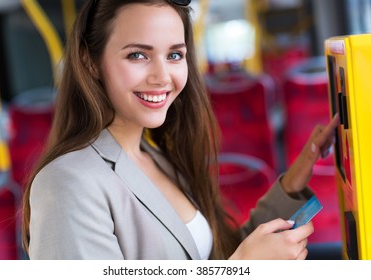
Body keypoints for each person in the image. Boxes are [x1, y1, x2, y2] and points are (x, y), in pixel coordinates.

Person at [21, 0, 339, 260]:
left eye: (174, 55)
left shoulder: (157, 158)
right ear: (90, 61)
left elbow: (216, 260)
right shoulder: (67, 183)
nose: (162, 76)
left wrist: (299, 172)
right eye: (138, 55)